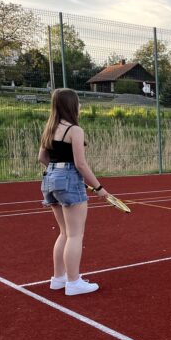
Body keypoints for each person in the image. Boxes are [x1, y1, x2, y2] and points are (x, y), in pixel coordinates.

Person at [38, 88, 109, 296]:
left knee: (64, 233)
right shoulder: (75, 130)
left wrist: (59, 174)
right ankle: (73, 282)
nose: (80, 106)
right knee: (75, 234)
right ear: (72, 105)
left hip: (49, 179)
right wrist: (99, 188)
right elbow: (80, 164)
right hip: (67, 179)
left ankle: (58, 279)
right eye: (78, 102)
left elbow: (42, 158)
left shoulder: (49, 129)